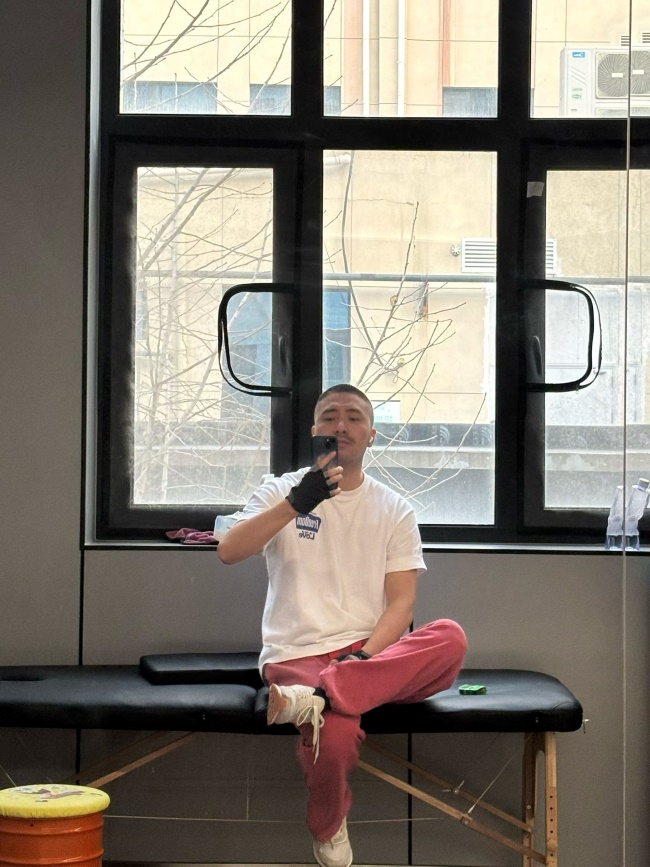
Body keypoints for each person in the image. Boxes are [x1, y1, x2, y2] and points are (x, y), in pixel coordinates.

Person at [217, 384, 467, 867]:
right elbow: (229, 551)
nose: (341, 425)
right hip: (298, 655)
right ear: (315, 429)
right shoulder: (280, 491)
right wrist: (296, 503)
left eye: (354, 417)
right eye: (330, 416)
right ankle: (328, 827)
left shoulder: (394, 508)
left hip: (369, 656)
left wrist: (363, 657)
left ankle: (322, 695)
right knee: (332, 738)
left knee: (450, 637)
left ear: (371, 434)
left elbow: (401, 605)